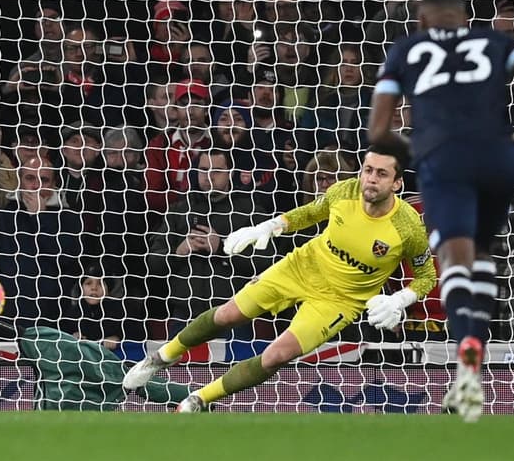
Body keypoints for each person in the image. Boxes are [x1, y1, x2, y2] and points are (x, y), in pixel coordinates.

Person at [367, 0, 514, 422]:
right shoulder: (494, 41)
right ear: (465, 20)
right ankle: (477, 349)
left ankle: (466, 358)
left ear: (422, 21)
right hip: (500, 158)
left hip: (445, 160)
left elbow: (378, 131)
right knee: (483, 252)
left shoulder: (407, 49)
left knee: (455, 259)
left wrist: (420, 152)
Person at [123, 143, 435, 413]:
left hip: (339, 301)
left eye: (381, 173)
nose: (371, 178)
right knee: (227, 314)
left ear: (397, 183)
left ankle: (199, 398)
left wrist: (400, 299)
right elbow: (308, 214)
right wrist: (268, 227)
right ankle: (159, 359)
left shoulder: (408, 227)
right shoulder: (345, 191)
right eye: (368, 170)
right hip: (301, 267)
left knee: (276, 356)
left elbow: (426, 276)